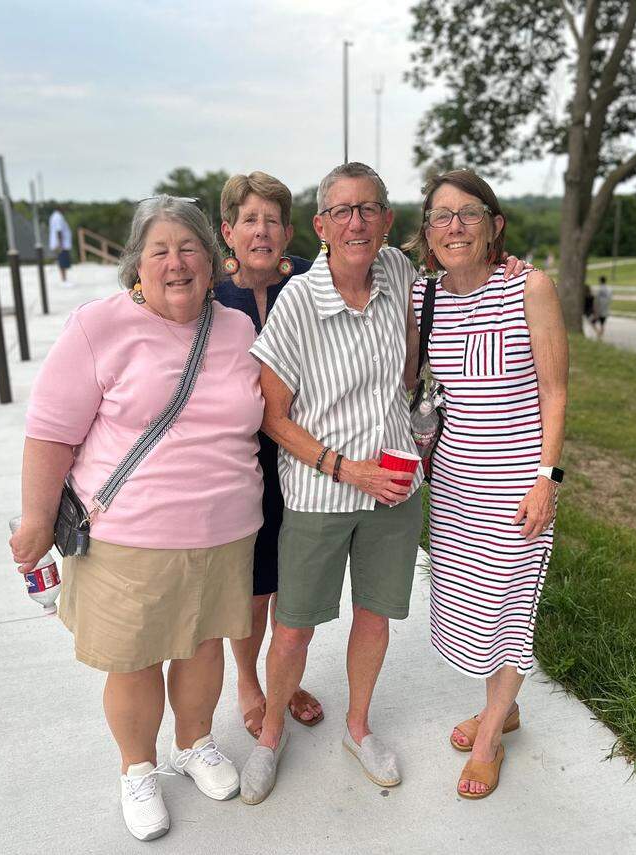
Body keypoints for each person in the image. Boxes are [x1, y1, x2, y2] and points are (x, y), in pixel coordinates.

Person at [10, 196, 263, 842]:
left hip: (226, 528)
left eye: (189, 249)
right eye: (160, 250)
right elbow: (49, 432)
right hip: (130, 536)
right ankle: (138, 767)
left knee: (205, 645)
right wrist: (37, 518)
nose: (176, 262)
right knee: (136, 659)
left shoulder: (236, 327)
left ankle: (195, 741)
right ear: (136, 265)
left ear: (213, 261)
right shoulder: (99, 326)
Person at [239, 162, 426, 805]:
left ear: (387, 220)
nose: (357, 221)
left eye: (369, 208)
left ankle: (358, 727)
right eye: (343, 211)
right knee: (293, 626)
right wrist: (347, 469)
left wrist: (512, 265)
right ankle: (269, 736)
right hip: (322, 492)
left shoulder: (398, 272)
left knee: (374, 618)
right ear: (320, 226)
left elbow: (466, 253)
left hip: (394, 490)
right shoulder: (297, 304)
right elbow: (272, 416)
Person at [407, 170, 568, 800]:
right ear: (427, 232)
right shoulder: (426, 297)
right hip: (453, 485)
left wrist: (547, 480)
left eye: (468, 213)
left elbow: (555, 393)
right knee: (471, 612)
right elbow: (406, 378)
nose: (454, 226)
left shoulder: (532, 286)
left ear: (494, 224)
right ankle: (505, 708)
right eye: (441, 216)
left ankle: (490, 737)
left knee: (508, 611)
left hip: (516, 483)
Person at [214, 172, 324, 739]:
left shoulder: (310, 280)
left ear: (288, 231)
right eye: (251, 220)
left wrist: (502, 267)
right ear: (228, 231)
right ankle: (248, 680)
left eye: (274, 220)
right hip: (238, 461)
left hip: (302, 457)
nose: (263, 231)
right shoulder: (209, 291)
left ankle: (287, 679)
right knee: (253, 586)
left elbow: (383, 269)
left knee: (294, 584)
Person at [48, 207, 73, 286]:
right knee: (62, 262)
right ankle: (64, 280)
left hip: (61, 243)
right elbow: (59, 230)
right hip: (62, 244)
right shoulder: (58, 217)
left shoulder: (55, 216)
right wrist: (60, 244)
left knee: (61, 261)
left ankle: (64, 279)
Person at [592, 275, 613, 339]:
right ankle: (600, 335)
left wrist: (595, 309)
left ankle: (598, 334)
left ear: (600, 281)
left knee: (593, 322)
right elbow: (609, 299)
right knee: (602, 324)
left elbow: (596, 300)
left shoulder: (599, 290)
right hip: (605, 309)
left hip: (599, 309)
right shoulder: (609, 289)